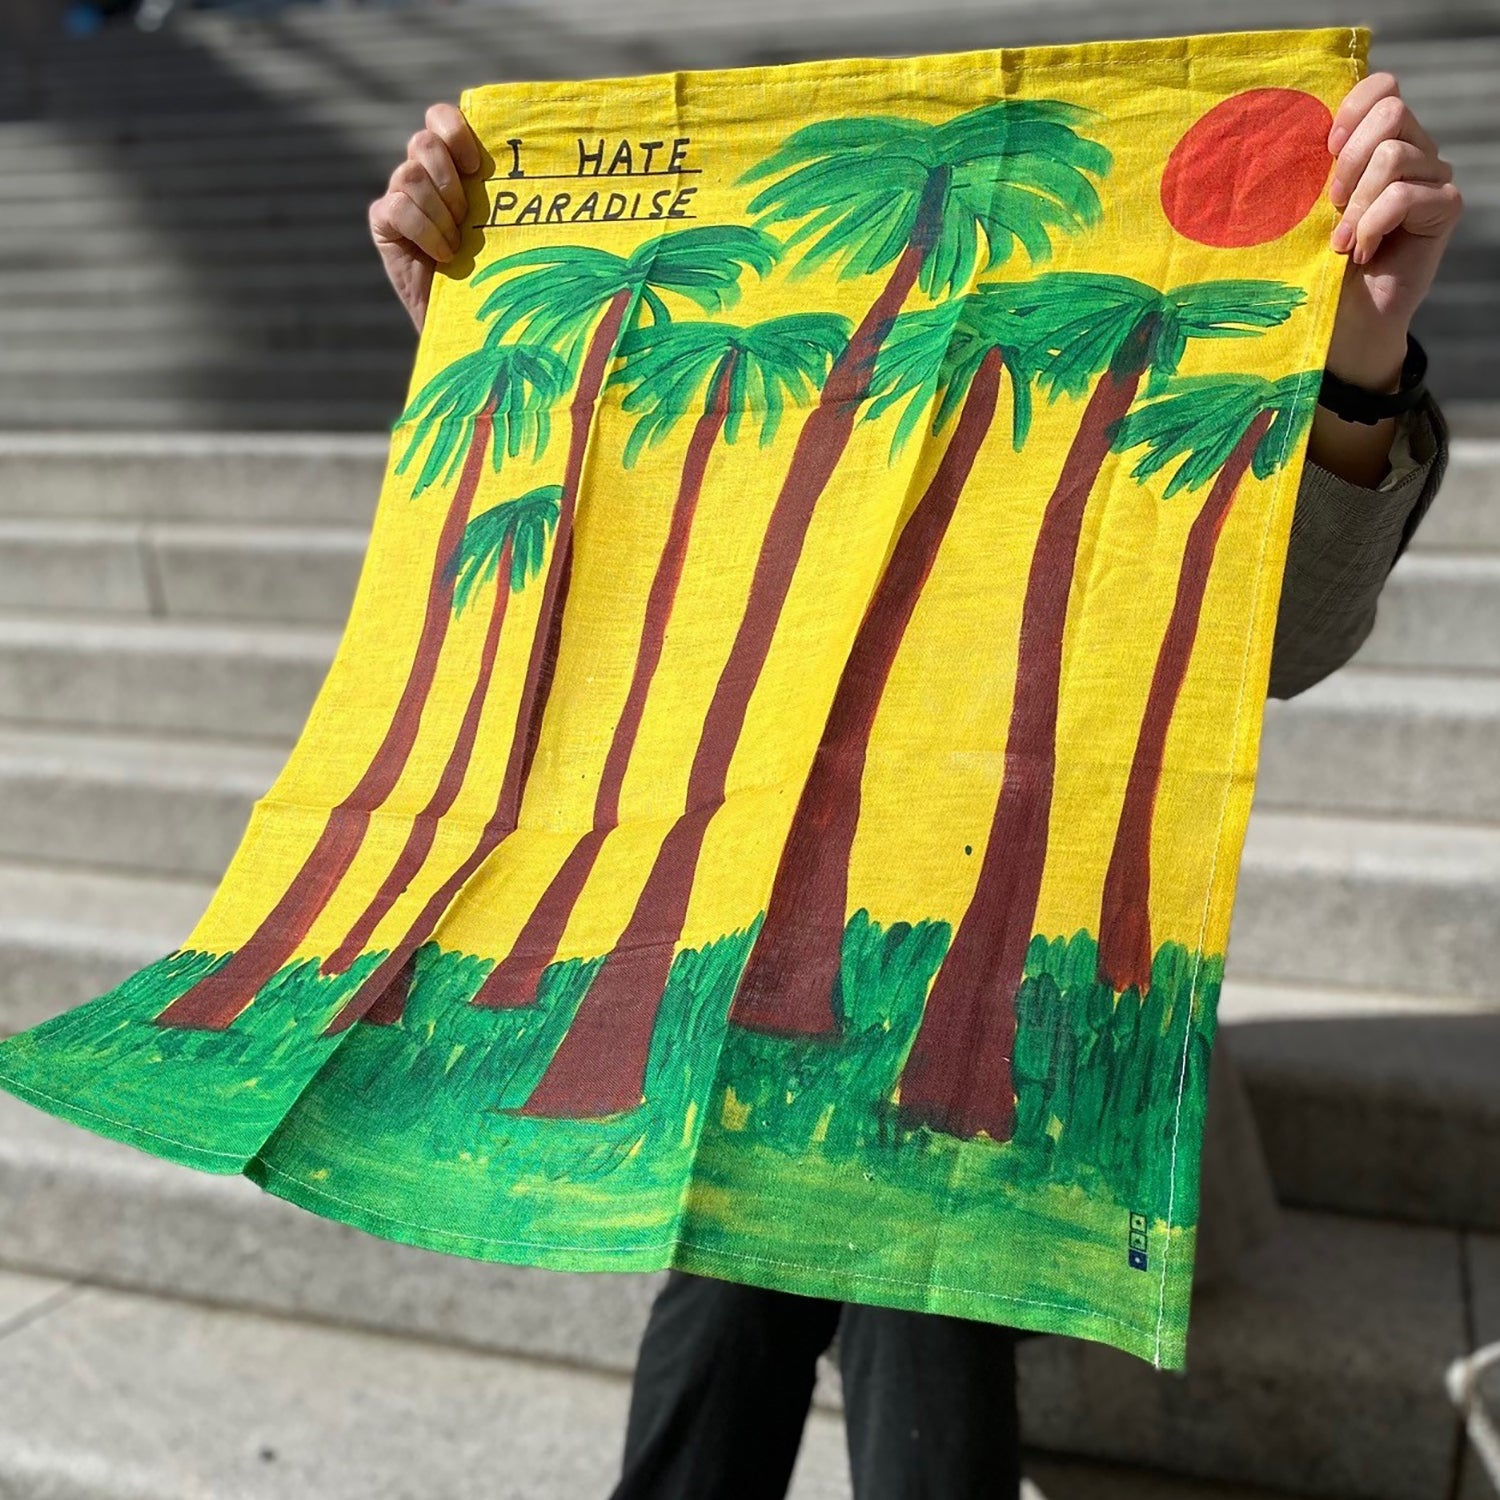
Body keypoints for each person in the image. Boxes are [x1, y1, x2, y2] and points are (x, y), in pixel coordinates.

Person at [369, 64, 1461, 1500]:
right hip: (766, 995)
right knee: (770, 1234)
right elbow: (609, 591)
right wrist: (499, 326)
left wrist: (1357, 358)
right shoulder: (771, 464)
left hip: (996, 1036)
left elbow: (1289, 632)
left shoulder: (1085, 440)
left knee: (878, 1240)